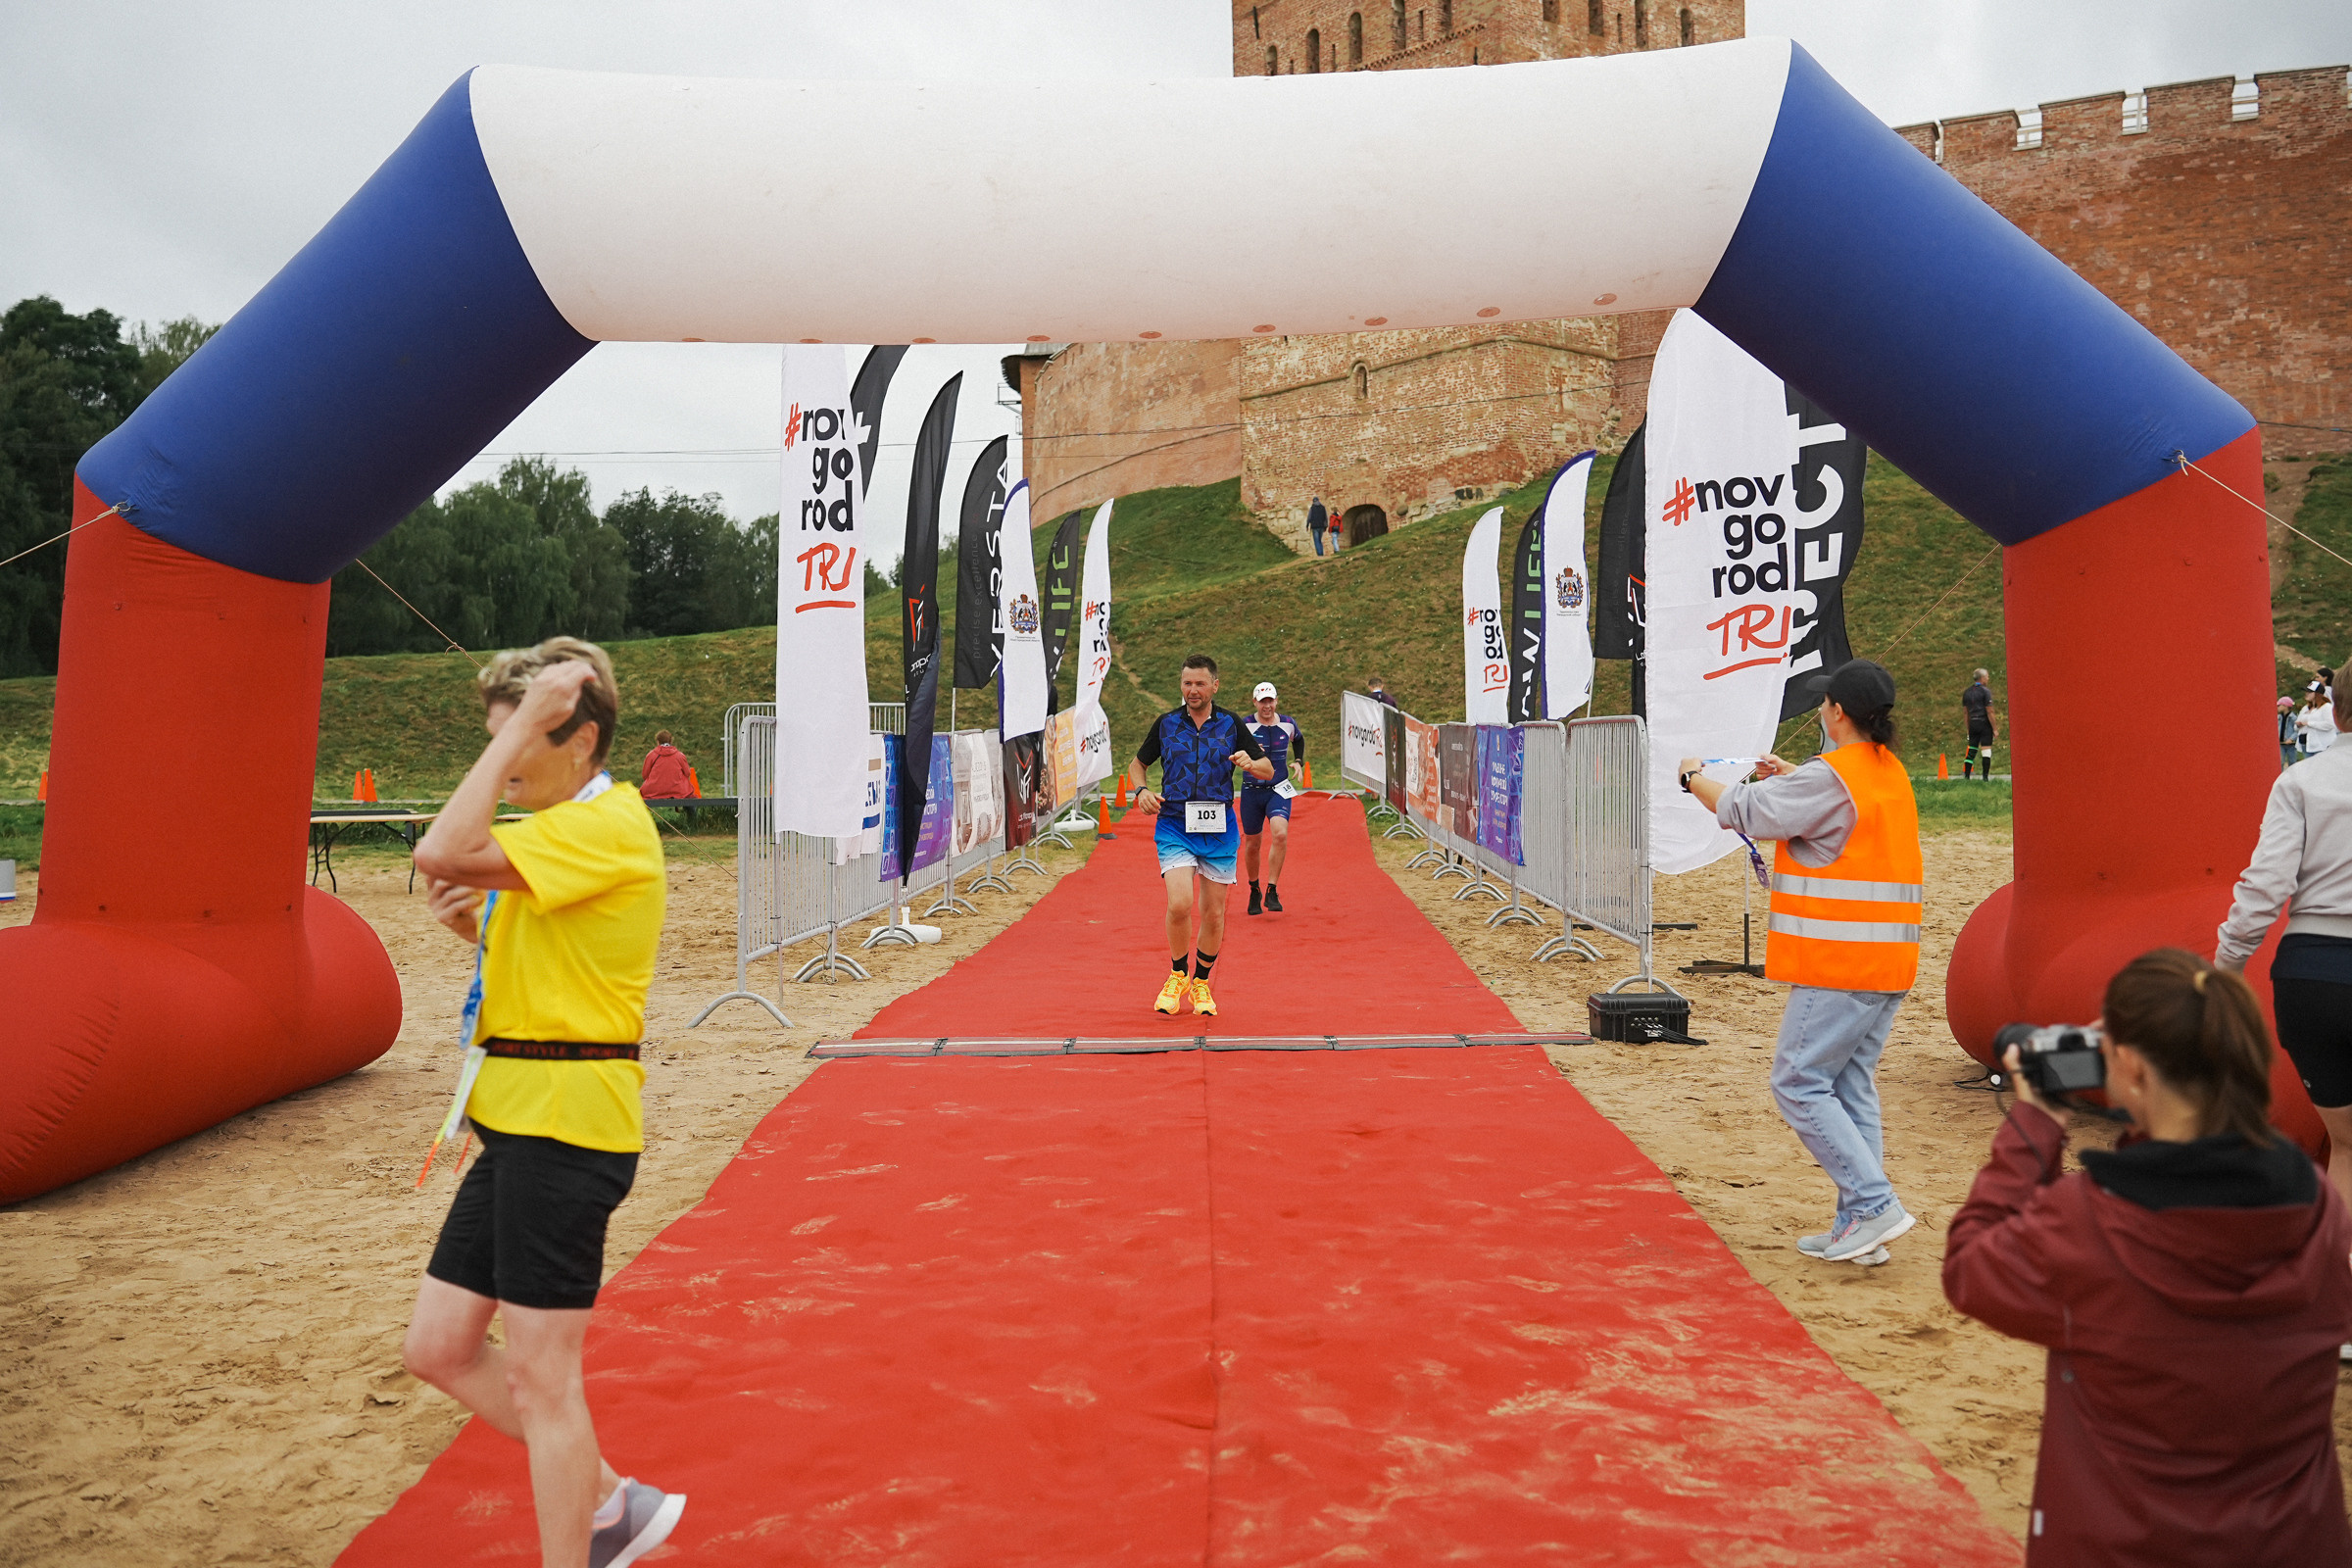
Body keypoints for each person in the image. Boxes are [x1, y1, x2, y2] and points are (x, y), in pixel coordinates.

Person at [403, 638, 684, 1568]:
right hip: (518, 1122)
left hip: (567, 1128)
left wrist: (522, 720)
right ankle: (611, 1503)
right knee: (439, 1348)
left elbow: (440, 846)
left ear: (581, 741)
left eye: (519, 739)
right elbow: (560, 965)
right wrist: (475, 930)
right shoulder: (558, 828)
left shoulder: (609, 825)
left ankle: (592, 1537)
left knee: (542, 1380)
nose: (506, 760)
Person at [1944, 949, 2352, 1567]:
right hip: (2291, 1540)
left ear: (2132, 1067)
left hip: (2127, 1545)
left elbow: (1971, 1265)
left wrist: (2035, 1123)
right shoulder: (2319, 1205)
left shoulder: (2088, 1224)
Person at [1680, 658, 1921, 1263]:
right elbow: (1830, 803)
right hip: (1886, 960)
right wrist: (1793, 776)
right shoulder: (1883, 768)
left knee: (1797, 1081)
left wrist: (1691, 778)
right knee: (1849, 1085)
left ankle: (1873, 1205)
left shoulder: (1831, 777)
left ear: (1837, 712)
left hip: (1840, 962)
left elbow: (1745, 811)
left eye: (1824, 703)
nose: (1820, 710)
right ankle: (1859, 1226)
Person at [2218, 669, 2352, 1212]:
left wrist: (2228, 965)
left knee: (2346, 1145)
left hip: (2311, 976)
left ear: (2335, 712)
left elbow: (2266, 886)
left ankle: (2338, 1259)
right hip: (2317, 971)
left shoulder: (2300, 782)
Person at [1125, 653, 1273, 1016]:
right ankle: (1178, 974)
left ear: (1215, 686)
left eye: (1200, 684)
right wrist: (1141, 791)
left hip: (1218, 828)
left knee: (1214, 913)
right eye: (1187, 683)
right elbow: (1137, 764)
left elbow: (1268, 769)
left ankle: (1201, 983)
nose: (1193, 690)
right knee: (1180, 904)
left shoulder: (1231, 723)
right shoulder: (1166, 724)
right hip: (1175, 823)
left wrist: (1251, 764)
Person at [1240, 681, 1305, 915]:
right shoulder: (1245, 725)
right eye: (1262, 701)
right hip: (1251, 790)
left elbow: (1298, 739)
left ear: (1276, 701)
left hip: (1278, 789)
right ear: (1254, 702)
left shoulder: (1287, 723)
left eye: (1270, 701)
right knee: (1252, 844)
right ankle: (1254, 889)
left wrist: (1298, 761)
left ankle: (1272, 889)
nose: (1266, 706)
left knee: (1280, 834)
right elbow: (1231, 750)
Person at [1960, 668, 1996, 781]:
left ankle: (1966, 777)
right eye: (1987, 676)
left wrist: (1968, 728)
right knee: (1986, 750)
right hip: (1984, 723)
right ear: (1982, 678)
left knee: (1971, 750)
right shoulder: (1985, 691)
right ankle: (1985, 778)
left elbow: (1966, 713)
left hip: (1973, 724)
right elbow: (1989, 711)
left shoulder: (1967, 692)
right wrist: (1994, 728)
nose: (1988, 679)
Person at [639, 730, 695, 800]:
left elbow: (645, 775)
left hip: (653, 792)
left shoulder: (651, 755)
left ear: (658, 741)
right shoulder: (680, 755)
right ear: (671, 741)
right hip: (679, 791)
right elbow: (687, 773)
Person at [2297, 683, 2337, 758]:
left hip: (2322, 745)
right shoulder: (2305, 708)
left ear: (2317, 694)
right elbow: (2297, 725)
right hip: (2306, 745)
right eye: (2306, 691)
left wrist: (2309, 723)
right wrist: (2298, 725)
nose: (2306, 694)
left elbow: (2330, 724)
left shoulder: (2327, 707)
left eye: (2310, 692)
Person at [2278, 695, 2302, 771]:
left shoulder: (2293, 718)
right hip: (2281, 743)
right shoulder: (2278, 717)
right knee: (2280, 762)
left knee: (2292, 762)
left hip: (2291, 744)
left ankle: (2293, 776)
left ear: (2285, 706)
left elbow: (2298, 730)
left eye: (2279, 705)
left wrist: (2291, 738)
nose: (2277, 707)